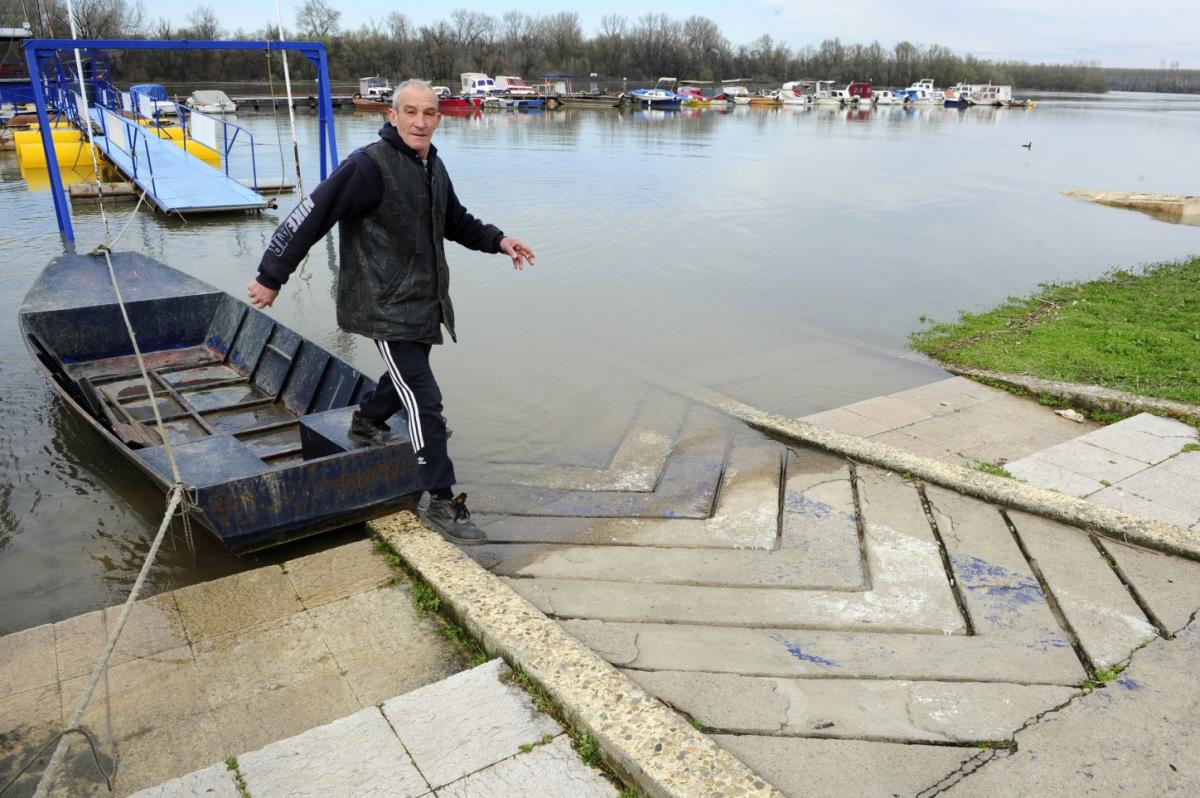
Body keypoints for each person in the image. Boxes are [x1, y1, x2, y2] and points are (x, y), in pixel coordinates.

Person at [247, 79, 535, 546]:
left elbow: (455, 221)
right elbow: (312, 214)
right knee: (425, 399)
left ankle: (369, 419)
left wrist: (500, 240)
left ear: (439, 118)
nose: (421, 121)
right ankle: (441, 498)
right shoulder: (368, 167)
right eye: (411, 112)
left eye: (430, 113)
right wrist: (271, 275)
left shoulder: (431, 165)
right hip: (384, 305)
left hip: (424, 301)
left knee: (406, 377)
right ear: (392, 115)